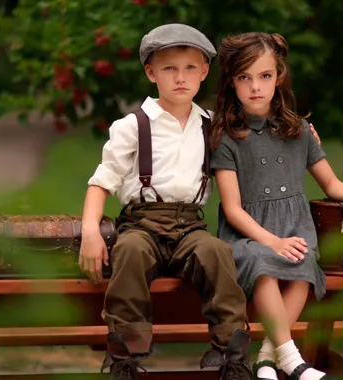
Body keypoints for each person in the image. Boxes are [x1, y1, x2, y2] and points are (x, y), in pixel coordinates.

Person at [79, 23, 252, 380]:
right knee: (129, 252)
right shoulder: (133, 125)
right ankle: (125, 358)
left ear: (204, 72)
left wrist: (297, 131)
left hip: (190, 225)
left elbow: (257, 140)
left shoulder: (212, 125)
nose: (180, 78)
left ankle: (231, 355)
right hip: (141, 223)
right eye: (169, 68)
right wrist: (90, 232)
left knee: (216, 252)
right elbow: (102, 182)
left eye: (190, 68)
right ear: (151, 72)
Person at [210, 32, 343, 380]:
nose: (256, 86)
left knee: (302, 261)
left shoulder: (298, 131)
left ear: (278, 77)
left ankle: (267, 358)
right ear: (231, 83)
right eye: (244, 77)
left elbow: (330, 183)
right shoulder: (226, 137)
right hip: (248, 233)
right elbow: (233, 209)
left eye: (265, 76)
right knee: (264, 263)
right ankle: (294, 363)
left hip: (295, 226)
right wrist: (271, 241)